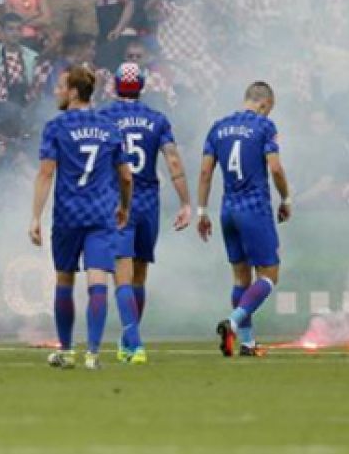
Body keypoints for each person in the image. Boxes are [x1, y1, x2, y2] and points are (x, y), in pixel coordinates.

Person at [28, 66, 132, 371]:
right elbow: (126, 177)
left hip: (67, 215)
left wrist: (35, 216)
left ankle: (67, 351)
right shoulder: (110, 127)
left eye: (61, 85)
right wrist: (124, 207)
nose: (57, 91)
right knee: (97, 278)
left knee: (64, 278)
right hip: (101, 213)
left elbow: (46, 173)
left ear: (74, 92)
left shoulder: (56, 127)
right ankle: (93, 354)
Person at [98, 63, 193, 361]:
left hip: (119, 201)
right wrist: (186, 202)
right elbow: (174, 162)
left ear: (114, 86)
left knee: (122, 276)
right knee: (139, 275)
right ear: (142, 87)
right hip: (149, 202)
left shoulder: (103, 117)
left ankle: (135, 344)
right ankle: (129, 341)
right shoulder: (157, 119)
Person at [196, 81, 292, 357]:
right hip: (255, 209)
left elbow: (205, 173)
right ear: (263, 104)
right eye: (268, 110)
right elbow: (275, 168)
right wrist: (285, 199)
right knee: (269, 275)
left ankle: (248, 344)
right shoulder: (264, 127)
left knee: (241, 278)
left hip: (227, 211)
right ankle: (234, 323)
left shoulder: (218, 127)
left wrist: (202, 212)